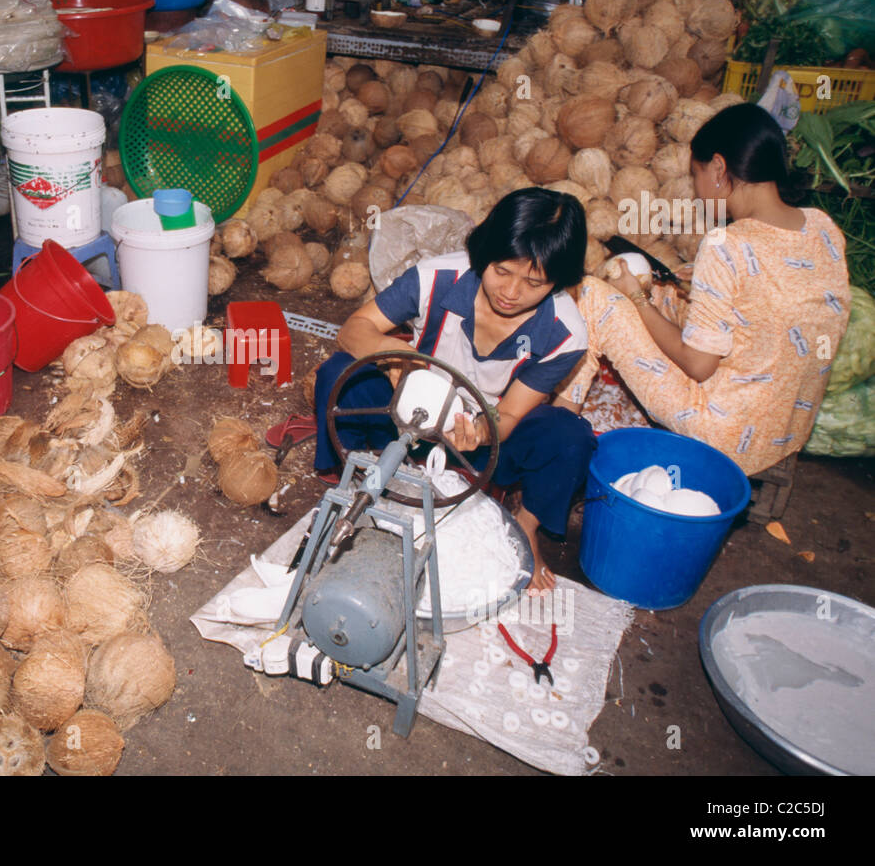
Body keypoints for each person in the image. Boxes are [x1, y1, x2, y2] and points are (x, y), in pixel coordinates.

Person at [269, 188, 596, 593]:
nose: (511, 293)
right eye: (502, 271)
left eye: (534, 282)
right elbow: (354, 328)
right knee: (340, 373)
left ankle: (525, 527)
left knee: (569, 434)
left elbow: (510, 414)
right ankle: (354, 482)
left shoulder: (565, 333)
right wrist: (389, 351)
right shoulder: (437, 278)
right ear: (484, 253)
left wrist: (480, 430)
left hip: (482, 442)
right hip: (405, 413)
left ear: (557, 282)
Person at [552, 103, 851, 476]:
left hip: (722, 435)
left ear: (720, 168)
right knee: (670, 291)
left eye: (696, 173)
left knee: (596, 296)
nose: (695, 188)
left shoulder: (727, 244)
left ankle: (553, 439)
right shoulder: (823, 227)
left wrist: (637, 298)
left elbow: (699, 365)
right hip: (784, 432)